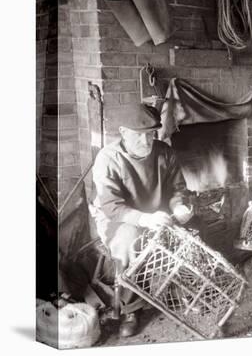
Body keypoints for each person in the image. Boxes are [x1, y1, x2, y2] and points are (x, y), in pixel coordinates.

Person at [91, 103, 192, 337]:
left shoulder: (164, 152)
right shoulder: (108, 158)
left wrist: (179, 206)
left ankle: (179, 287)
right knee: (129, 239)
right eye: (139, 136)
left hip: (154, 212)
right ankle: (131, 307)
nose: (146, 142)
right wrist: (143, 219)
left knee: (194, 226)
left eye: (150, 135)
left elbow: (178, 188)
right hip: (118, 219)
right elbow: (110, 206)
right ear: (123, 133)